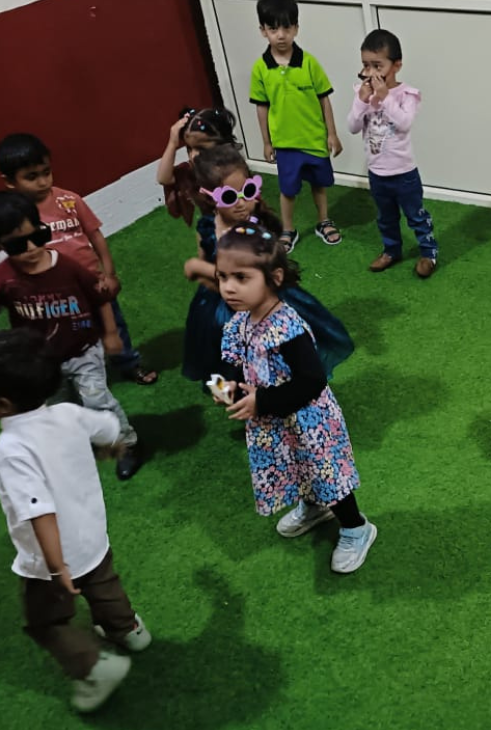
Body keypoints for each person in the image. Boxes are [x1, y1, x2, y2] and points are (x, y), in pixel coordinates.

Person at [0, 328, 151, 712]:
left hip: (49, 560)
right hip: (92, 533)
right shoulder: (68, 413)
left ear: (0, 404)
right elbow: (110, 431)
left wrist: (56, 565)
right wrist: (106, 452)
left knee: (45, 623)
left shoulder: (10, 449)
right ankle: (129, 631)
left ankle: (95, 667)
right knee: (103, 585)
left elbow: (37, 508)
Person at [0, 192, 143, 479]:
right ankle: (76, 447)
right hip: (40, 363)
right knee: (57, 410)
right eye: (18, 244)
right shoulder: (1, 280)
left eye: (39, 236)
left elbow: (100, 298)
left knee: (97, 400)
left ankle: (125, 445)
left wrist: (109, 333)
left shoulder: (67, 266)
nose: (32, 248)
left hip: (83, 350)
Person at [215, 221, 376, 573]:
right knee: (294, 468)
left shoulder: (287, 327)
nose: (228, 288)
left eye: (241, 278)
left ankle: (355, 526)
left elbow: (312, 381)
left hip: (309, 421)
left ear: (273, 277)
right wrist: (224, 388)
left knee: (326, 474)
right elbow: (228, 364)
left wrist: (262, 402)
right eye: (223, 276)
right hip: (274, 422)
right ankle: (314, 507)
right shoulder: (238, 322)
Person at [0, 133, 159, 386]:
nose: (42, 182)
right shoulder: (14, 217)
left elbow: (95, 235)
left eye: (46, 172)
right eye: (31, 177)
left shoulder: (69, 200)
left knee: (113, 325)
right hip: (54, 296)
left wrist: (110, 273)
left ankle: (127, 362)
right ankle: (75, 375)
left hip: (93, 284)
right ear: (9, 181)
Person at [185, 145, 353, 383]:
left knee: (278, 358)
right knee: (227, 365)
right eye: (229, 196)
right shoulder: (207, 228)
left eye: (248, 190)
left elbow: (251, 275)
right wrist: (206, 273)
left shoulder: (257, 229)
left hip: (263, 303)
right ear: (209, 198)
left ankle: (281, 394)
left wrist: (198, 268)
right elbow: (206, 263)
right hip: (222, 308)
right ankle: (241, 397)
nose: (241, 203)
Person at [346, 29, 439, 278]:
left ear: (396, 65)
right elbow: (353, 127)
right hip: (377, 172)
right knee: (385, 218)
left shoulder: (407, 95)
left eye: (378, 65)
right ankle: (391, 250)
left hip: (404, 173)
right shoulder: (362, 93)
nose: (371, 72)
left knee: (416, 217)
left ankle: (428, 252)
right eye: (366, 65)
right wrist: (362, 101)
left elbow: (404, 123)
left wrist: (385, 98)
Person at [251, 0, 343, 249]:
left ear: (296, 28)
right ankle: (288, 229)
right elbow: (262, 107)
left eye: (287, 28)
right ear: (263, 30)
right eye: (273, 29)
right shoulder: (260, 69)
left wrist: (332, 134)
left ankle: (323, 221)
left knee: (319, 185)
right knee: (287, 190)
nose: (281, 35)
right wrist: (267, 142)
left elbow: (324, 99)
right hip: (285, 144)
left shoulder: (310, 62)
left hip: (314, 139)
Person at [158, 106, 241, 227]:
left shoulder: (232, 171)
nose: (194, 155)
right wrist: (172, 143)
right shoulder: (193, 171)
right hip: (214, 229)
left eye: (200, 148)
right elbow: (163, 178)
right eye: (190, 149)